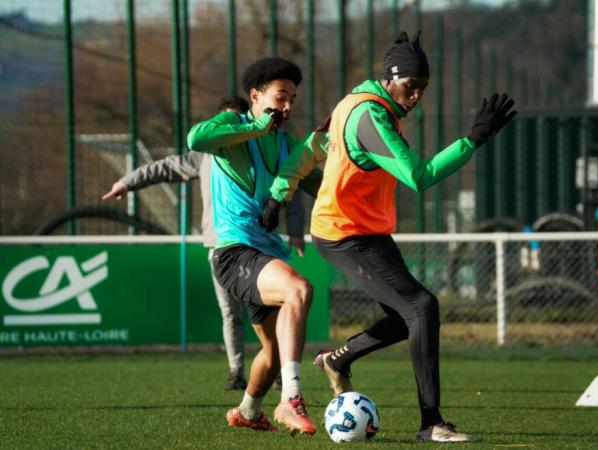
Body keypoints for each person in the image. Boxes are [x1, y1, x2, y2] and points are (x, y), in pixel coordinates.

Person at [262, 31, 516, 442]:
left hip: (366, 231)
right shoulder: (370, 116)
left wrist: (280, 193)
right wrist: (474, 139)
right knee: (422, 306)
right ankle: (430, 422)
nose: (416, 96)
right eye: (410, 86)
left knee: (406, 318)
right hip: (343, 234)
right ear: (390, 78)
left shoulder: (356, 103)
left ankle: (336, 361)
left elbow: (312, 144)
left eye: (422, 88)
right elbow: (419, 176)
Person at [102, 96, 305, 392]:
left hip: (261, 246)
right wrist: (127, 182)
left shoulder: (266, 147)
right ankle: (237, 371)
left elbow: (293, 186)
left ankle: (272, 369)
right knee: (230, 313)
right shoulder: (206, 154)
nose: (227, 128)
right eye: (221, 123)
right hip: (224, 249)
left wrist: (297, 230)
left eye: (233, 122)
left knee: (270, 310)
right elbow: (165, 167)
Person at [187, 57, 321, 434]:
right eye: (280, 97)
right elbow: (196, 139)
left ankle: (247, 411)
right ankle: (290, 400)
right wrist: (259, 126)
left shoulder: (287, 144)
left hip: (266, 253)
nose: (288, 107)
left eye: (293, 99)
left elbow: (318, 184)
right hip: (234, 252)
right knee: (299, 289)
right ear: (255, 96)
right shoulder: (234, 126)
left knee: (275, 352)